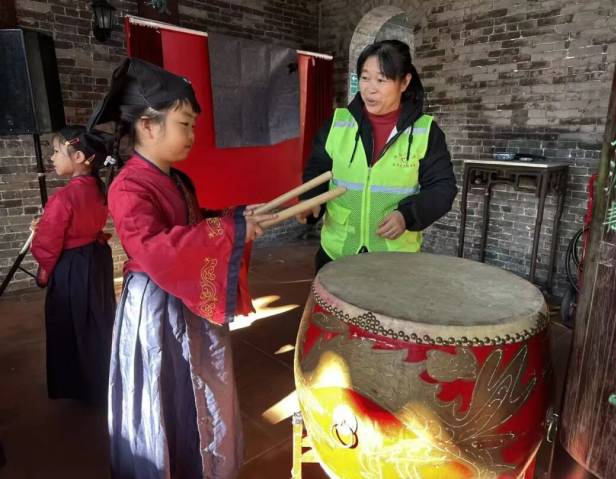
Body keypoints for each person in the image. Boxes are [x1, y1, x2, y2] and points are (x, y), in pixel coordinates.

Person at [88, 58, 276, 478]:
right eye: (184, 125)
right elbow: (155, 247)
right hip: (157, 306)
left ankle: (198, 461)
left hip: (183, 296)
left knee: (197, 384)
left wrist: (238, 218)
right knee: (168, 388)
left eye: (193, 125)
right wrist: (230, 231)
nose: (192, 135)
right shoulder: (129, 186)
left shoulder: (174, 178)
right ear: (148, 126)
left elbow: (194, 223)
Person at [297, 40, 457, 271]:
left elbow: (442, 188)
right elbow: (318, 171)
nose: (370, 89)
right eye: (365, 78)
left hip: (395, 260)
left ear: (404, 82)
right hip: (337, 253)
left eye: (381, 80)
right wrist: (311, 201)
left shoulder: (425, 132)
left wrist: (407, 216)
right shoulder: (338, 123)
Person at [30, 126, 116, 406]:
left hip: (72, 267)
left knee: (70, 320)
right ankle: (104, 380)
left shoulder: (63, 198)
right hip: (96, 259)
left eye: (56, 151)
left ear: (79, 157)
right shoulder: (101, 190)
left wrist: (43, 273)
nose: (52, 157)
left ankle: (78, 385)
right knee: (97, 320)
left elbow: (47, 244)